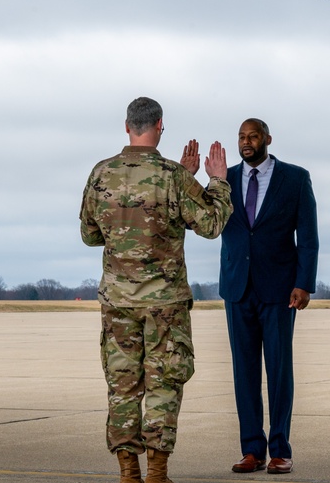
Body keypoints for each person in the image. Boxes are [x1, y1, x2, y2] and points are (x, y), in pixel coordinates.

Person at [79, 97, 233, 483]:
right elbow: (212, 224)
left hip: (117, 303)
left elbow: (89, 234)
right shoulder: (172, 176)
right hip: (165, 304)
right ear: (160, 126)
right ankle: (156, 473)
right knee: (164, 384)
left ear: (127, 125)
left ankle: (128, 472)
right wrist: (216, 181)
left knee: (123, 386)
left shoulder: (101, 173)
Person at [218, 119, 318, 476]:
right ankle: (251, 450)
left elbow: (307, 236)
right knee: (243, 372)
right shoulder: (224, 179)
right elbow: (204, 219)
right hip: (237, 287)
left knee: (278, 371)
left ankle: (280, 449)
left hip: (280, 289)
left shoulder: (295, 178)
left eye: (253, 136)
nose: (246, 142)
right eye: (242, 137)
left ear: (267, 139)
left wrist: (304, 283)